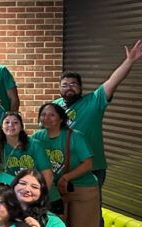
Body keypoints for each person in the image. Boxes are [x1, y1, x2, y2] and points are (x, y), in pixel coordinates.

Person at [55, 39, 142, 187]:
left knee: (91, 202)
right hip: (62, 168)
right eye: (64, 85)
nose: (69, 87)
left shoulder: (94, 101)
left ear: (81, 87)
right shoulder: (53, 107)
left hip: (92, 168)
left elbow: (113, 81)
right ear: (59, 88)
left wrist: (129, 61)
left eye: (73, 84)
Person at [33, 103, 101, 227]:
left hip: (82, 188)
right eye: (43, 114)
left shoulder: (74, 136)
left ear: (61, 118)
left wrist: (66, 177)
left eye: (52, 115)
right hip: (55, 191)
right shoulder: (37, 137)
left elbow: (88, 163)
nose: (47, 118)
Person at [0, 112, 53, 193]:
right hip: (9, 194)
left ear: (21, 127)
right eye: (7, 122)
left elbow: (47, 175)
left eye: (15, 122)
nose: (11, 125)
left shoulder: (35, 145)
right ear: (2, 127)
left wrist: (41, 196)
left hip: (36, 192)